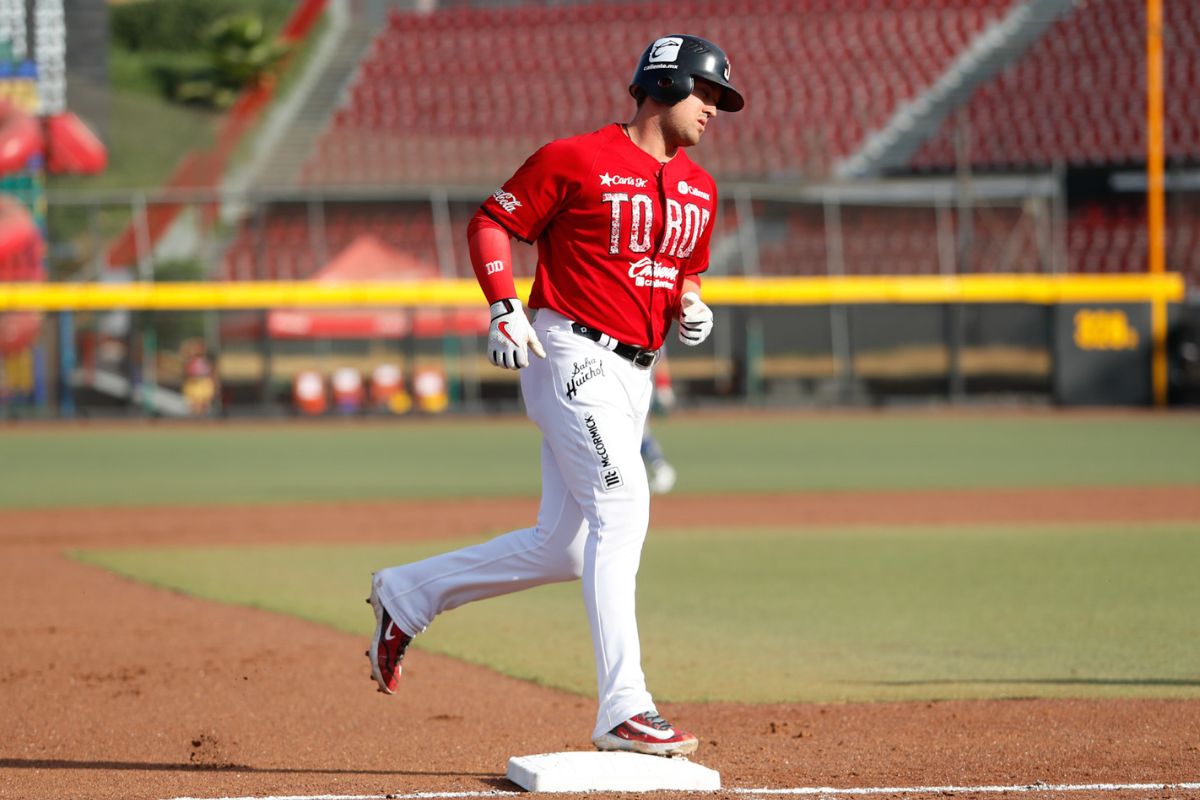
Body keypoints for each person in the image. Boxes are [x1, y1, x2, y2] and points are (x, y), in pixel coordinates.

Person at [366, 34, 743, 758]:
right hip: (570, 352)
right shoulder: (574, 157)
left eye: (720, 99)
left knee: (564, 547)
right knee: (624, 507)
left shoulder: (701, 187)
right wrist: (504, 304)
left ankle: (407, 595)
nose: (714, 110)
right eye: (706, 93)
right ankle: (624, 706)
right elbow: (493, 222)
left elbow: (683, 272)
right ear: (662, 86)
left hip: (634, 376)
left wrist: (692, 304)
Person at [642, 357, 678, 494]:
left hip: (642, 381)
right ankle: (655, 468)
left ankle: (661, 467)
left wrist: (664, 385)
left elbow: (660, 357)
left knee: (640, 432)